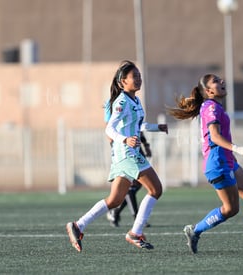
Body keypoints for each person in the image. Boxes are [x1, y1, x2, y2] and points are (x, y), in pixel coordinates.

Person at [167, 74, 243, 253]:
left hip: (227, 161)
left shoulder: (214, 106)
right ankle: (195, 230)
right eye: (216, 82)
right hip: (217, 164)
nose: (222, 82)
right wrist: (237, 148)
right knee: (231, 209)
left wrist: (232, 155)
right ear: (209, 91)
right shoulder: (210, 108)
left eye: (220, 80)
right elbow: (215, 137)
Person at [66, 60, 168, 252]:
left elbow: (137, 126)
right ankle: (135, 232)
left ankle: (78, 225)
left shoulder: (135, 100)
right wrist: (125, 140)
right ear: (122, 82)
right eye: (133, 76)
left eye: (139, 75)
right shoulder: (121, 102)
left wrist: (156, 128)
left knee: (115, 201)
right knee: (156, 189)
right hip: (127, 154)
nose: (138, 79)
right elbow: (110, 128)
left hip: (125, 155)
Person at [103, 94, 152, 228]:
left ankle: (116, 212)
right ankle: (137, 218)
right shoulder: (114, 102)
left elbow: (136, 126)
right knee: (138, 186)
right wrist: (121, 142)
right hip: (124, 149)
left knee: (134, 186)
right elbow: (109, 130)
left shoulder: (132, 100)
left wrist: (145, 144)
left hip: (135, 146)